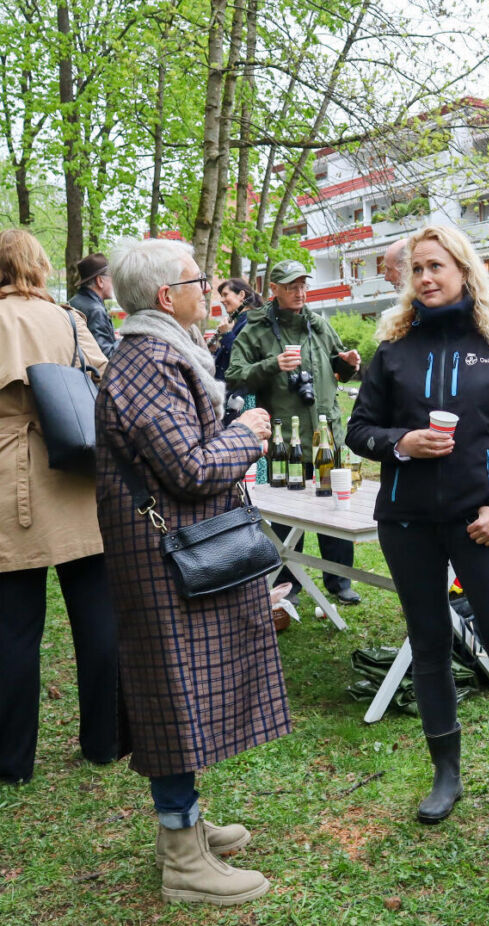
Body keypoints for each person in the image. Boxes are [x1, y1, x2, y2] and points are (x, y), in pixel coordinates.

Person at [345, 224, 489, 827]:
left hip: (480, 524)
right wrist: (402, 443)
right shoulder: (392, 348)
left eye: (436, 267)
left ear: (464, 271)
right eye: (416, 269)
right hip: (407, 523)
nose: (425, 279)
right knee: (430, 644)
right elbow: (358, 430)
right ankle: (446, 772)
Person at [97, 237, 291, 904]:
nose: (207, 287)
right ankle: (182, 858)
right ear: (164, 296)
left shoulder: (160, 351)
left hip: (173, 554)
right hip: (165, 561)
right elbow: (188, 468)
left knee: (180, 695)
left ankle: (188, 825)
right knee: (172, 697)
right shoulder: (150, 359)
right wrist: (249, 430)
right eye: (196, 278)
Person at [0, 229, 118, 785]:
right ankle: (105, 739)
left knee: (14, 629)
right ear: (40, 267)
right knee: (96, 614)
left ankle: (11, 761)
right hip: (72, 472)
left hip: (9, 479)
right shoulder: (70, 319)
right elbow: (106, 377)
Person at [225, 260, 363, 605]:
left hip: (326, 434)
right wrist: (274, 365)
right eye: (290, 286)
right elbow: (235, 375)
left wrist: (346, 362)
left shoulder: (318, 325)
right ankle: (290, 583)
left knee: (335, 505)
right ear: (273, 289)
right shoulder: (255, 328)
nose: (299, 292)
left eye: (303, 285)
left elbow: (337, 371)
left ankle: (340, 580)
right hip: (285, 439)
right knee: (286, 514)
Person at [210, 277, 262, 381]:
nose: (221, 300)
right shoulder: (238, 321)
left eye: (225, 294)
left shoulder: (253, 321)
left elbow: (244, 359)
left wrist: (227, 334)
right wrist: (215, 349)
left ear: (241, 295)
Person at [69, 252, 118, 357]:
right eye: (112, 277)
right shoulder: (96, 310)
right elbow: (105, 354)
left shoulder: (73, 301)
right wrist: (124, 343)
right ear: (100, 280)